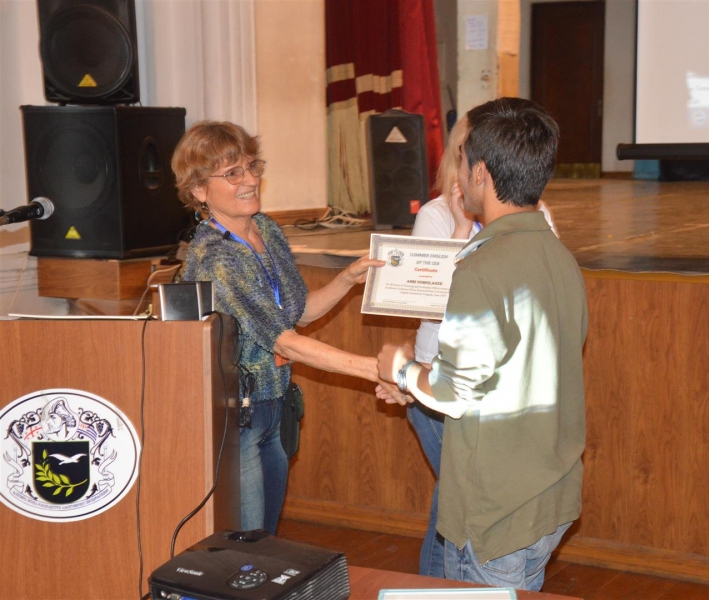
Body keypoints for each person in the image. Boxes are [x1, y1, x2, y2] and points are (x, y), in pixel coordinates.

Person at [377, 98, 588, 591]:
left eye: (463, 159)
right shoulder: (557, 254)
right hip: (549, 493)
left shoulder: (481, 268)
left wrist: (401, 369)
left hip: (497, 511)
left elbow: (454, 392)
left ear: (480, 174)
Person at [172, 121, 401, 535]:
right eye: (233, 173)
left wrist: (346, 279)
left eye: (252, 166)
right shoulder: (216, 258)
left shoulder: (266, 229)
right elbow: (286, 343)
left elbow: (298, 314)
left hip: (274, 405)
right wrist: (377, 370)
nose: (250, 180)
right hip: (236, 417)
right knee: (248, 545)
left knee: (267, 537)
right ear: (199, 191)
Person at [408, 115, 560, 578]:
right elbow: (431, 305)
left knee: (459, 506)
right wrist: (459, 230)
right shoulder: (435, 214)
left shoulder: (533, 217)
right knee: (458, 504)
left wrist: (395, 370)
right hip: (438, 376)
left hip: (496, 388)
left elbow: (539, 295)